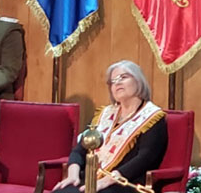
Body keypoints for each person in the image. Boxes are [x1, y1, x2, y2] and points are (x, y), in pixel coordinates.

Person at [52, 60, 167, 193]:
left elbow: (146, 158)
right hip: (91, 179)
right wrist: (72, 175)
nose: (117, 83)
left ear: (139, 81)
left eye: (123, 77)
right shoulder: (105, 114)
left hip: (125, 182)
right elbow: (79, 149)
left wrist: (107, 180)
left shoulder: (152, 116)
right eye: (113, 81)